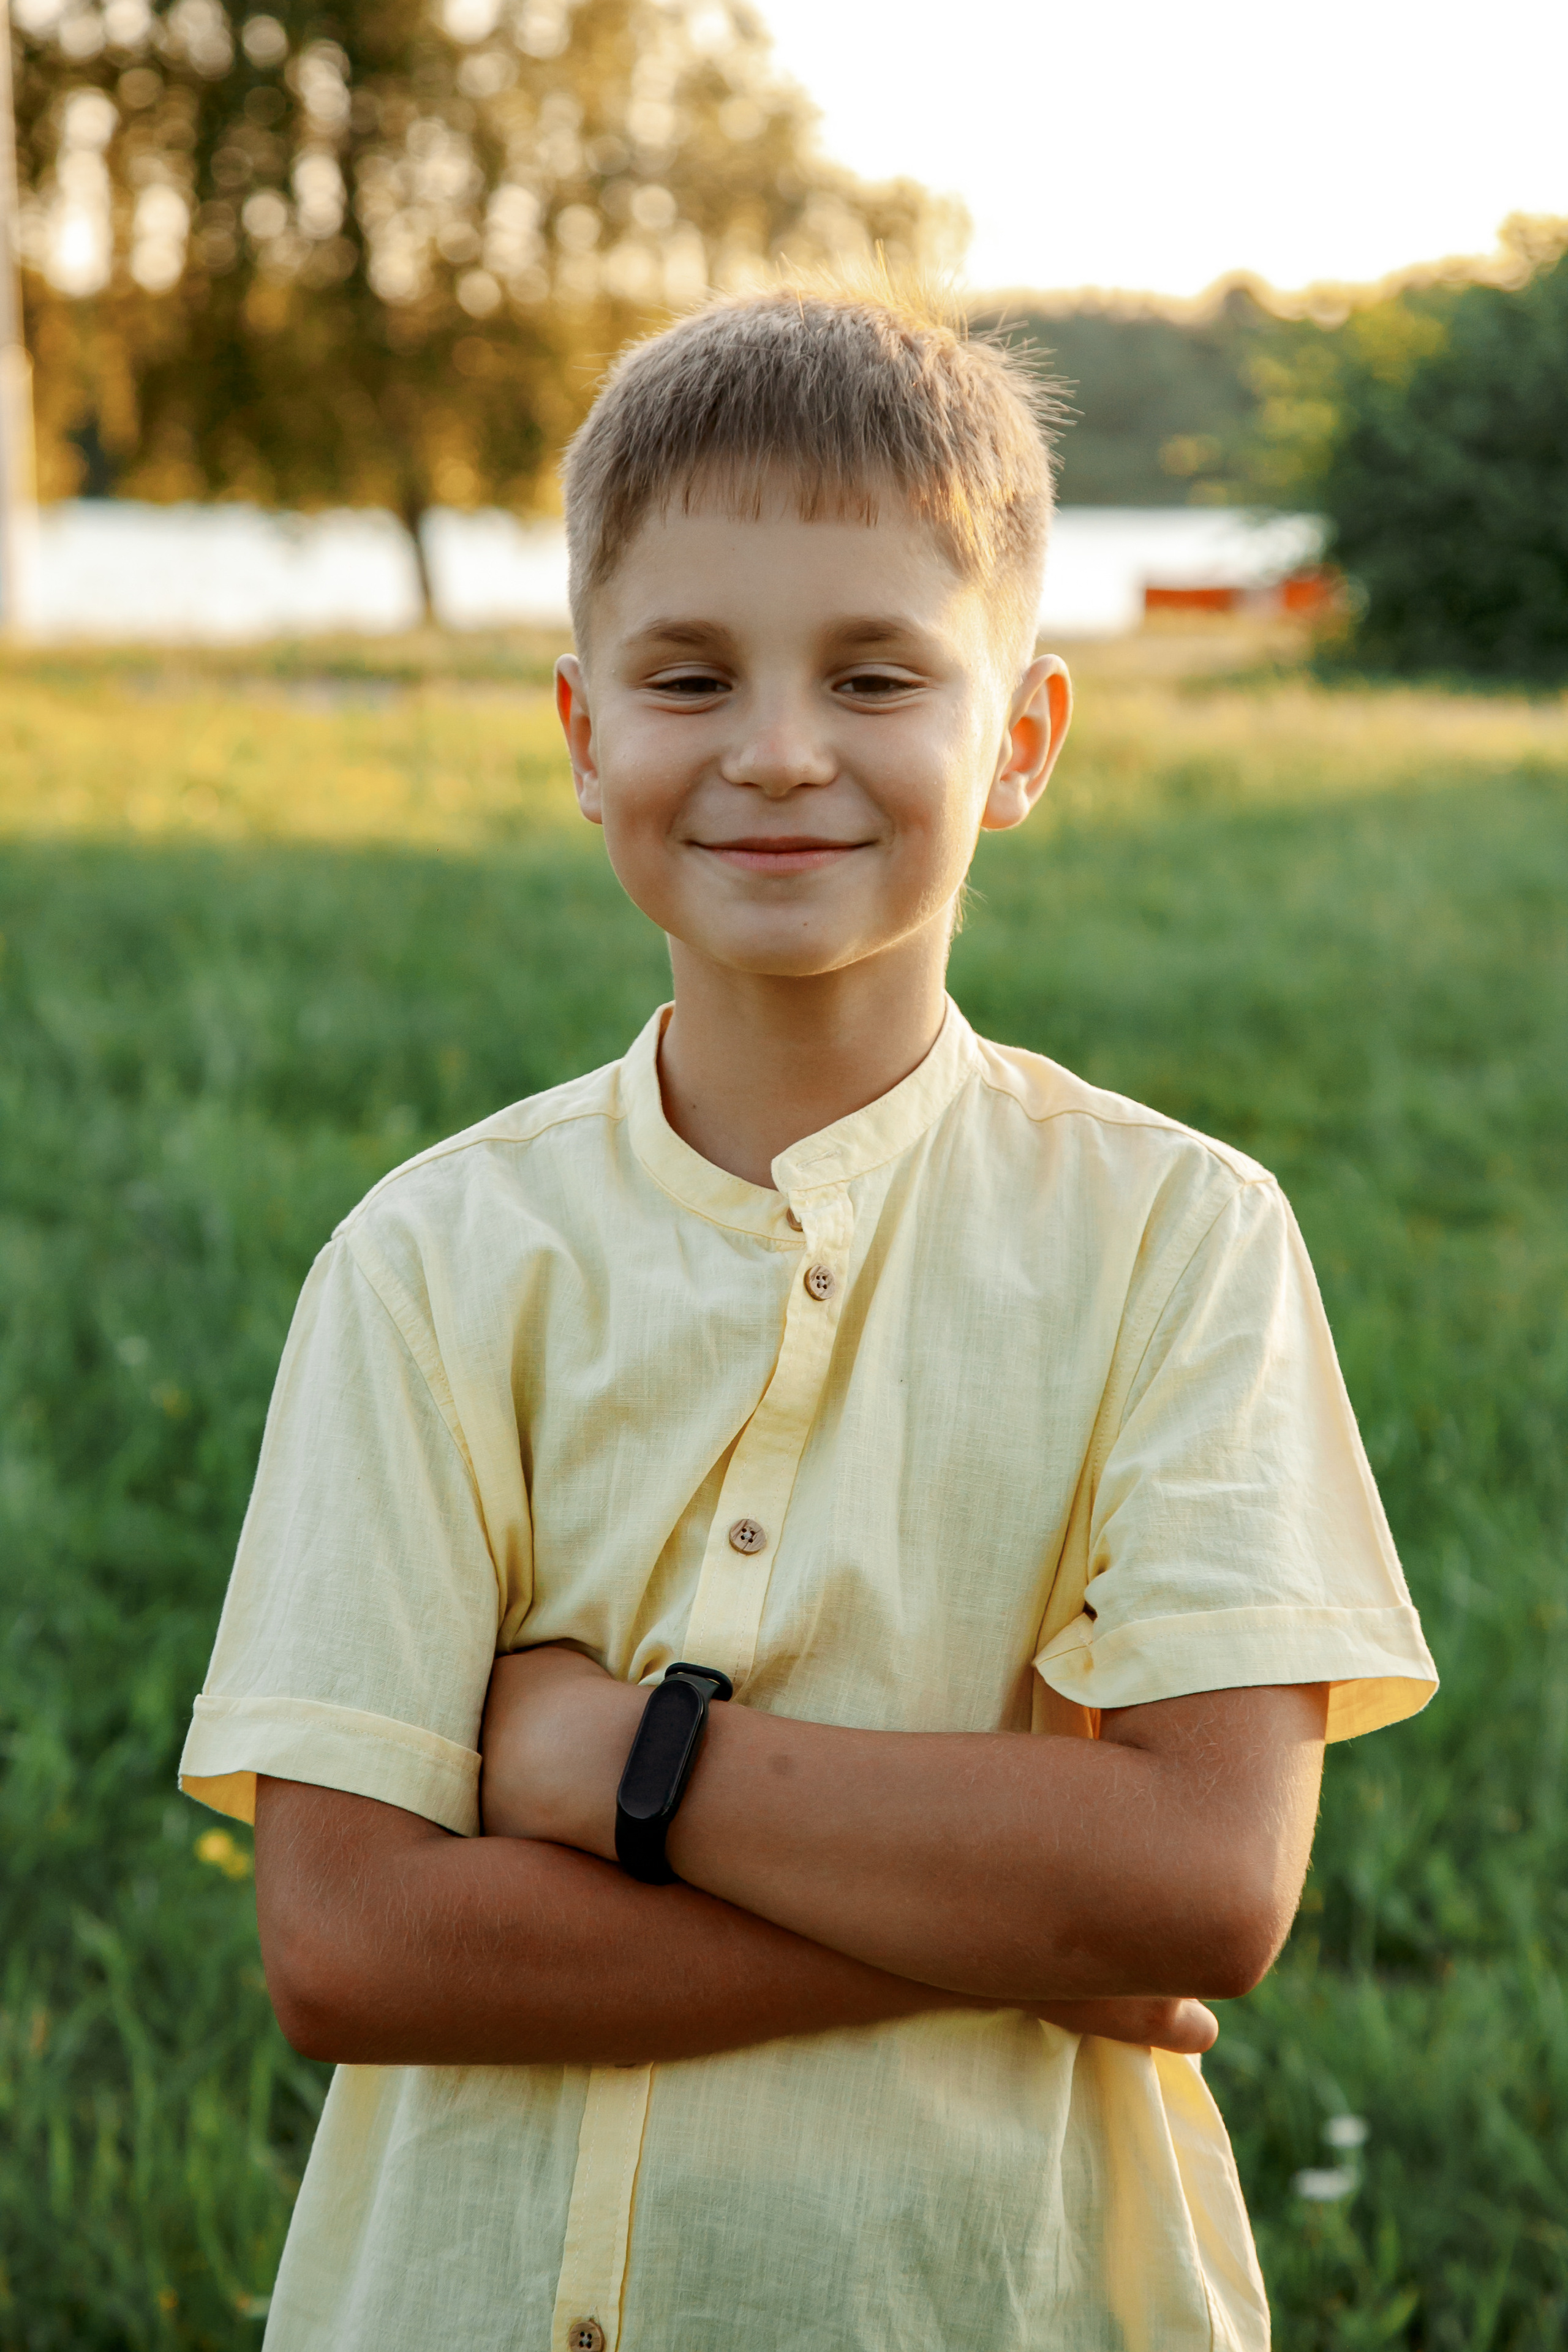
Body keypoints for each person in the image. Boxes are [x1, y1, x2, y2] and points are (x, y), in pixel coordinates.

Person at [179, 287, 1437, 2352]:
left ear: (1017, 740)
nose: (778, 751)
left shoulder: (1178, 1238)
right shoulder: (428, 1262)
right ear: (585, 736)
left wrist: (613, 1764)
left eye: (877, 674)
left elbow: (1205, 1887)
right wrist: (1020, 1928)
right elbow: (351, 1943)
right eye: (688, 676)